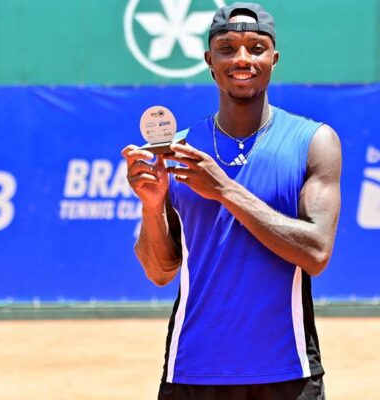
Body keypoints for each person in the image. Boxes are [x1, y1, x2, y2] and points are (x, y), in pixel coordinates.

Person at [122, 3, 341, 399]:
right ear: (210, 60)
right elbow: (160, 271)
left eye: (256, 47)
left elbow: (317, 253)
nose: (242, 59)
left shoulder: (314, 142)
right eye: (227, 47)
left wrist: (223, 189)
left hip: (287, 371)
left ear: (274, 58)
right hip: (192, 371)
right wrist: (153, 206)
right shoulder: (180, 151)